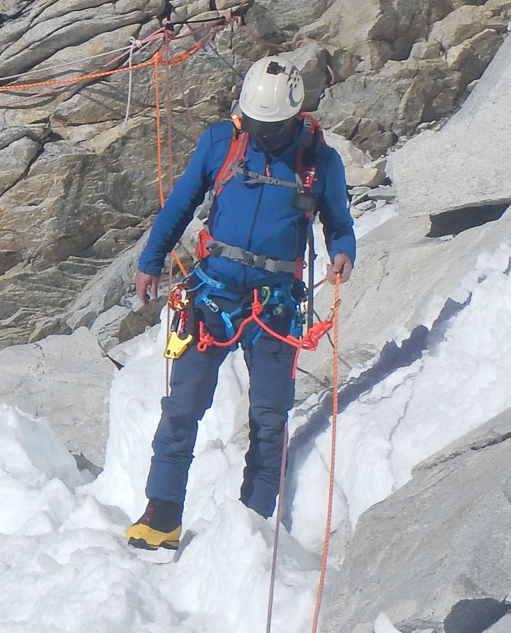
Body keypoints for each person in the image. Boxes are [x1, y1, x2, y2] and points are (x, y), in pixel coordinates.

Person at [125, 58, 356, 550]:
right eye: (253, 124)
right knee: (182, 406)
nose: (260, 135)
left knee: (269, 417)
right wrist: (152, 257)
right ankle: (161, 512)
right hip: (214, 297)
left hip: (275, 307)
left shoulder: (319, 161)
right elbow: (180, 203)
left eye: (269, 127)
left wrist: (343, 250)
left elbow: (338, 221)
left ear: (293, 116)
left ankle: (254, 525)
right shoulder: (222, 142)